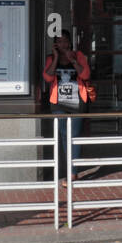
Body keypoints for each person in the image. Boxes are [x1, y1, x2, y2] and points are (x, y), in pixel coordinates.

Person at [43, 30, 93, 177]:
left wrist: (73, 61)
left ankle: (73, 172)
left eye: (65, 40)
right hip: (58, 103)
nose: (62, 44)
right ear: (55, 45)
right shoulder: (51, 58)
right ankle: (70, 168)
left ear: (70, 43)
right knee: (65, 135)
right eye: (59, 41)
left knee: (74, 135)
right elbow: (47, 77)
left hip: (77, 102)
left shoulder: (79, 56)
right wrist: (56, 57)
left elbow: (85, 75)